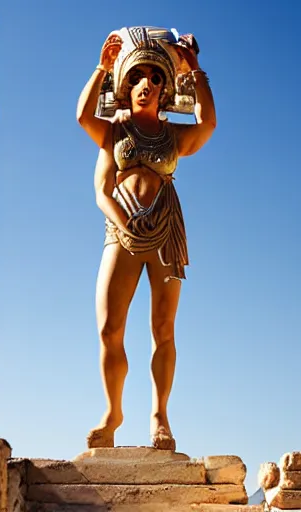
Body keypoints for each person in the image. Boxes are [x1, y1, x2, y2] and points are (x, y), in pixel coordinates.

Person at [76, 27, 216, 450]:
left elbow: (207, 123)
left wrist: (196, 71)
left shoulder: (173, 137)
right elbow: (98, 177)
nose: (146, 85)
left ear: (165, 89)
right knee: (109, 328)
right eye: (138, 77)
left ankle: (160, 417)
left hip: (166, 233)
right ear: (127, 84)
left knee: (163, 329)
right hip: (121, 231)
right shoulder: (116, 132)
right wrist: (102, 66)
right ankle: (113, 413)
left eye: (156, 79)